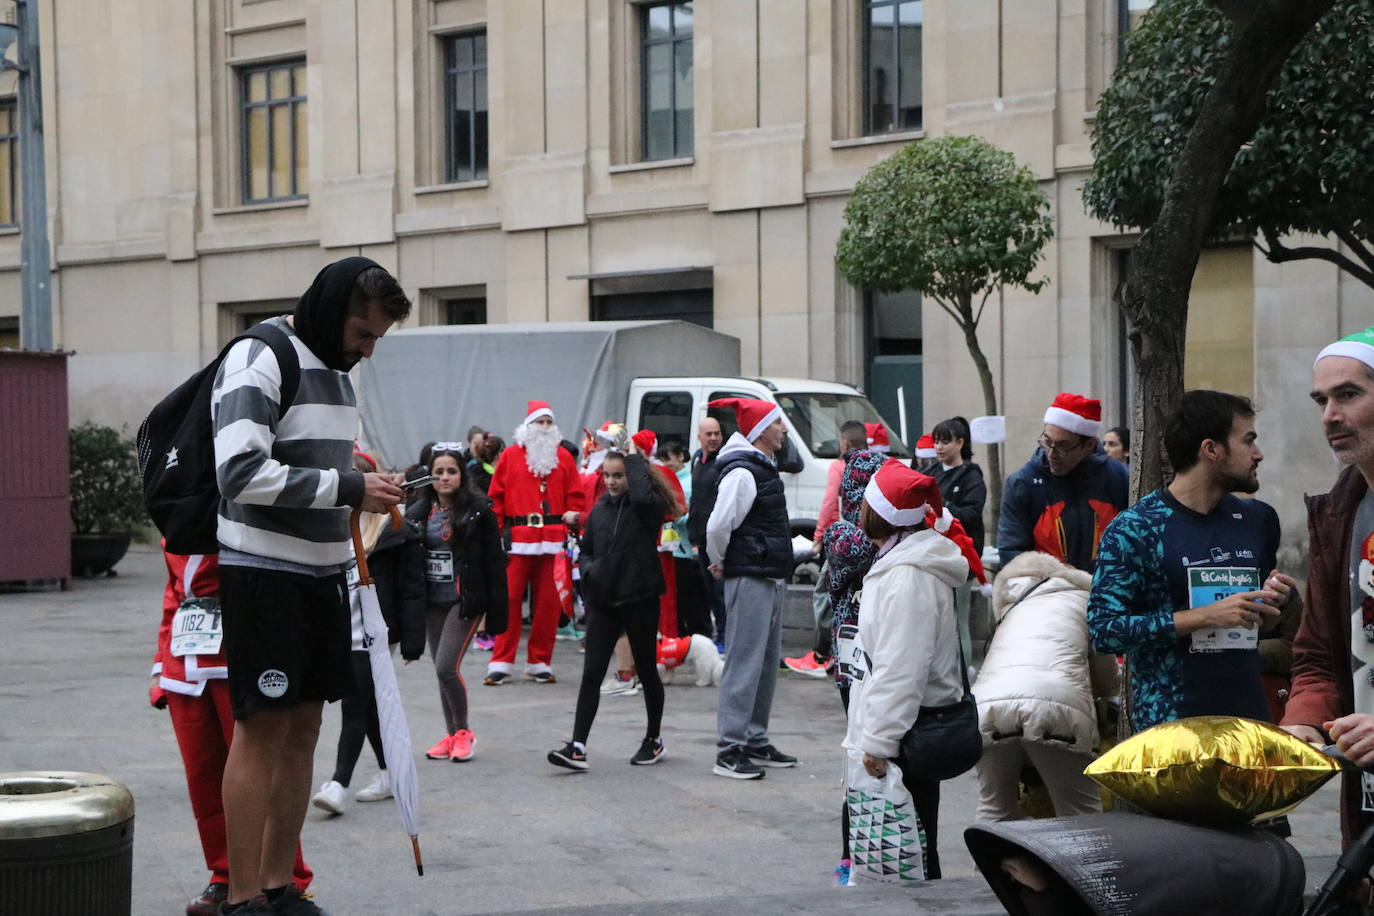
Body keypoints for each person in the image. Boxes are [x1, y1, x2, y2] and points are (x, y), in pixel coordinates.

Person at [211, 257, 408, 915]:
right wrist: (350, 486)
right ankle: (240, 897)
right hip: (263, 574)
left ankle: (278, 885)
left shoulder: (337, 372)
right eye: (362, 331)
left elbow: (322, 470)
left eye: (377, 338)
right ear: (329, 309)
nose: (367, 349)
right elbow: (238, 472)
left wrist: (362, 486)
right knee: (262, 728)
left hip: (324, 574)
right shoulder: (261, 356)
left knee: (303, 729)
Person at [1088, 390, 1294, 734]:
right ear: (1211, 449)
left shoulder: (1259, 520)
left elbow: (1259, 621)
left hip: (1249, 721)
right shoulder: (1136, 528)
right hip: (1171, 729)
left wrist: (1279, 600)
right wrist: (1203, 616)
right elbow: (1105, 631)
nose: (1258, 455)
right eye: (1248, 441)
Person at [150, 547, 313, 916]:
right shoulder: (175, 517)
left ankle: (284, 877)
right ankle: (224, 875)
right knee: (204, 781)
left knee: (263, 777)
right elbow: (173, 592)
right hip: (186, 665)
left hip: (242, 655)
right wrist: (161, 664)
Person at [844, 461, 968, 880]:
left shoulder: (908, 577)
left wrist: (877, 744)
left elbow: (902, 669)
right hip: (900, 731)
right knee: (903, 850)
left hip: (905, 739)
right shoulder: (901, 561)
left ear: (877, 512)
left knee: (906, 856)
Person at [1283, 327, 1374, 851]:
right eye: (1322, 400)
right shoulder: (1340, 514)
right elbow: (1317, 655)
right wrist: (1305, 724)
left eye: (1348, 395)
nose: (1329, 417)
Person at [548, 446, 679, 770]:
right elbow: (588, 548)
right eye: (606, 475)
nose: (611, 482)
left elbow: (648, 500)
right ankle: (577, 746)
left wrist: (635, 458)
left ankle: (654, 739)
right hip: (605, 599)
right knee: (591, 672)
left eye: (618, 475)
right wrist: (592, 571)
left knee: (647, 670)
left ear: (633, 476)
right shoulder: (601, 508)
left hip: (640, 597)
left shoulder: (645, 507)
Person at [311, 453, 426, 816]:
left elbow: (411, 588)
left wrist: (412, 640)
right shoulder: (333, 528)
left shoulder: (391, 528)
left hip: (373, 634)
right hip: (340, 632)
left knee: (354, 701)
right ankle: (393, 772)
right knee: (371, 706)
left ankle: (338, 783)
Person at [973, 551, 1104, 822]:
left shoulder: (1011, 610)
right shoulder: (1082, 598)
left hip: (986, 710)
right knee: (1081, 815)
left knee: (995, 808)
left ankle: (993, 864)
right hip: (1057, 708)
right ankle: (1072, 865)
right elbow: (1106, 676)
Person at [705, 398, 798, 779]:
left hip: (766, 574)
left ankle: (753, 738)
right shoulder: (743, 472)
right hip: (750, 576)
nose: (784, 430)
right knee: (745, 663)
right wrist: (720, 559)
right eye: (778, 424)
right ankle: (729, 749)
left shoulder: (759, 468)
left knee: (763, 664)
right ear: (761, 430)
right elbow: (717, 526)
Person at [411, 445, 507, 759]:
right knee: (441, 671)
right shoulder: (419, 512)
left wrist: (496, 609)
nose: (444, 477)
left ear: (461, 475)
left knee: (446, 667)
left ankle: (465, 731)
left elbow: (494, 561)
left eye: (451, 471)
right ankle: (451, 735)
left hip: (463, 600)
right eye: (438, 472)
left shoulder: (478, 510)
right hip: (432, 600)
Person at [484, 400, 585, 685]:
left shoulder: (564, 457)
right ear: (527, 426)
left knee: (548, 603)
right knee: (510, 599)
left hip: (553, 539)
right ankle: (502, 661)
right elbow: (496, 497)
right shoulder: (510, 457)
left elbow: (576, 495)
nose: (543, 428)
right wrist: (499, 533)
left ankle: (539, 660)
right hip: (518, 540)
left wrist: (573, 517)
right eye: (539, 422)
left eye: (548, 422)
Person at [998, 392, 1129, 572]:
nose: (1051, 454)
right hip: (1046, 593)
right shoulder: (1022, 483)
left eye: (1062, 446)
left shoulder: (1118, 478)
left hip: (1108, 592)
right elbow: (1012, 553)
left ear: (1088, 446)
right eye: (1047, 442)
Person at [785, 419, 868, 677]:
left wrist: (819, 536)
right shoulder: (874, 465)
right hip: (870, 543)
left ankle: (823, 655)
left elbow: (830, 502)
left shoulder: (839, 466)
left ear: (844, 443)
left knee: (826, 596)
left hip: (842, 544)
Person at [931, 416, 987, 662]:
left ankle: (963, 677)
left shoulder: (972, 477)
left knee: (957, 622)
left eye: (945, 441)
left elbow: (972, 514)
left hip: (960, 557)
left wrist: (944, 507)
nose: (939, 447)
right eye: (936, 441)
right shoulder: (930, 472)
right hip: (933, 555)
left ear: (960, 443)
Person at [659, 439, 712, 638]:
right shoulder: (666, 480)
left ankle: (699, 636)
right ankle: (680, 636)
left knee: (692, 598)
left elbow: (694, 512)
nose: (666, 464)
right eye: (662, 460)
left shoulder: (689, 481)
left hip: (686, 549)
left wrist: (675, 516)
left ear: (681, 457)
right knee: (676, 598)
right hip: (670, 548)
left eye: (668, 459)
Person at [687, 416, 726, 646]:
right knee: (708, 592)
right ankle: (716, 635)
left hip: (717, 539)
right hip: (700, 538)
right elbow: (696, 500)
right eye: (708, 434)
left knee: (720, 591)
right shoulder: (696, 460)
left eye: (717, 433)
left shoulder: (723, 461)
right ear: (699, 437)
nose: (713, 438)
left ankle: (724, 636)